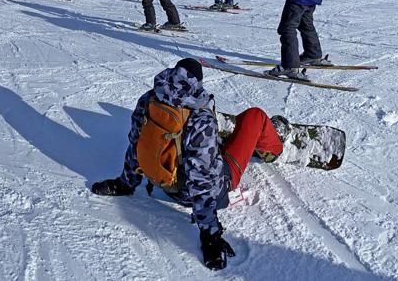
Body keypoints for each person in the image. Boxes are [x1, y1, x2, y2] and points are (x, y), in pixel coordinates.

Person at [91, 58, 287, 271]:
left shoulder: (148, 100)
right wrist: (209, 236)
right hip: (205, 192)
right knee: (254, 116)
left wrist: (125, 183)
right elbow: (200, 181)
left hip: (164, 181)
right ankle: (275, 148)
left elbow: (137, 144)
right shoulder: (200, 119)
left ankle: (212, 145)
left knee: (199, 147)